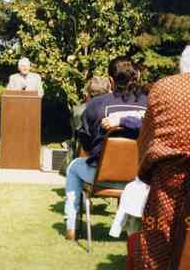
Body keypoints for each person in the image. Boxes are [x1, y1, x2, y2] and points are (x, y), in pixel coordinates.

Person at [64, 57, 147, 240]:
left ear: (111, 80)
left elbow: (86, 144)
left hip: (100, 177)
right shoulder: (148, 103)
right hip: (138, 178)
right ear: (137, 76)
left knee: (73, 167)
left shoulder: (95, 104)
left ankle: (71, 227)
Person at [131, 46, 190, 269]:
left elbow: (146, 139)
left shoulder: (164, 87)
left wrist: (144, 173)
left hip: (169, 178)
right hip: (170, 176)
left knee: (157, 239)